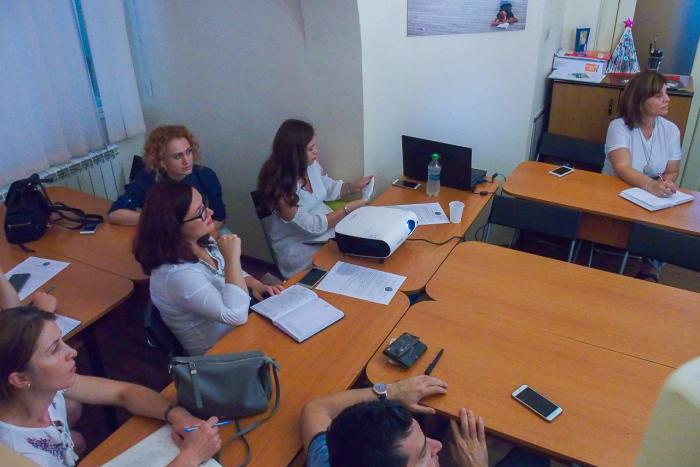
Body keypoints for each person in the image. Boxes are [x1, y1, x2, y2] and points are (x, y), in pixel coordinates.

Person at [0, 306, 221, 466]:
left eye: (62, 341)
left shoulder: (44, 388)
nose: (72, 351)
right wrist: (190, 457)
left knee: (78, 441)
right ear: (19, 379)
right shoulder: (18, 455)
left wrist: (178, 415)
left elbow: (123, 393)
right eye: (54, 349)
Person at [133, 182, 283, 356]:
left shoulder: (200, 240)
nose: (210, 212)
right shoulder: (176, 274)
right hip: (221, 352)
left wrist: (254, 283)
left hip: (241, 328)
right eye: (200, 213)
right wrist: (232, 258)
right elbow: (235, 315)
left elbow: (227, 274)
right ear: (174, 226)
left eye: (204, 206)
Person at [301, 375, 548, 467]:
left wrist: (391, 391)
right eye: (422, 455)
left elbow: (316, 409)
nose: (438, 445)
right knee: (533, 458)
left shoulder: (331, 459)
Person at [257, 119, 372, 278]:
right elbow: (311, 226)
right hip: (301, 249)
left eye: (315, 146)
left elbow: (328, 187)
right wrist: (346, 210)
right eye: (311, 149)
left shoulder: (311, 166)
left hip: (327, 234)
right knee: (350, 265)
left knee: (363, 250)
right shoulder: (279, 189)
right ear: (295, 154)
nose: (316, 152)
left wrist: (353, 187)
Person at [604, 70, 682, 281]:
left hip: (650, 194)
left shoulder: (671, 130)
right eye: (658, 96)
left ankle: (650, 269)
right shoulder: (619, 126)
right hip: (616, 191)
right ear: (640, 100)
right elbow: (622, 167)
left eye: (666, 93)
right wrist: (651, 186)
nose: (667, 99)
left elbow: (672, 170)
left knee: (668, 220)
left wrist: (665, 185)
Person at [109, 125, 226, 230]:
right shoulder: (148, 177)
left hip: (202, 233)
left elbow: (219, 219)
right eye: (178, 156)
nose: (187, 160)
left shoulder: (205, 175)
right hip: (166, 236)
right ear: (162, 161)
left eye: (188, 152)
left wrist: (194, 235)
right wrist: (163, 221)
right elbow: (115, 214)